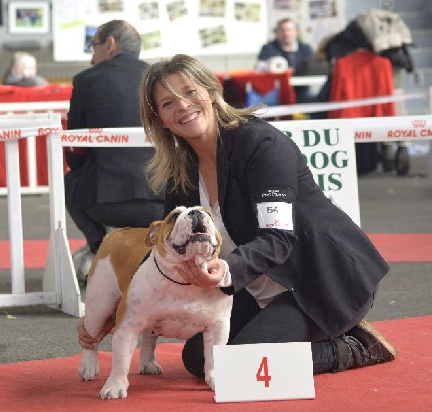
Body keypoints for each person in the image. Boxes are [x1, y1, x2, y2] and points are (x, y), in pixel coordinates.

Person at [77, 54, 397, 376]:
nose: (183, 106)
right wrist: (121, 308)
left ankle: (354, 346)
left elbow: (278, 237)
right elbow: (170, 245)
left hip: (321, 280)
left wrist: (227, 269)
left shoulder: (261, 144)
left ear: (211, 89)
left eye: (189, 92)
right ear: (159, 119)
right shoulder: (181, 172)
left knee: (238, 368)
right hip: (253, 285)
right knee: (199, 361)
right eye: (167, 103)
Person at [65, 20, 165, 285]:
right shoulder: (160, 77)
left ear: (109, 45)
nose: (91, 55)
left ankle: (102, 248)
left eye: (93, 46)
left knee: (69, 181)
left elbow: (75, 151)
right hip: (164, 200)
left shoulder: (87, 80)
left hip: (106, 203)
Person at [257, 18, 314, 102]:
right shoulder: (268, 48)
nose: (286, 33)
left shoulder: (305, 48)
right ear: (277, 32)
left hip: (302, 92)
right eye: (282, 30)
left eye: (289, 30)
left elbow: (313, 68)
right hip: (277, 93)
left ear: (296, 32)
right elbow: (259, 69)